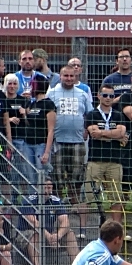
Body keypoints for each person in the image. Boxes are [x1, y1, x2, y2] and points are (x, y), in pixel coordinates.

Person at [47, 65, 93, 208]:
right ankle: (58, 206)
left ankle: (75, 205)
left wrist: (87, 129)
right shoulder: (52, 93)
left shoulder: (82, 94)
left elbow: (90, 114)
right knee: (58, 177)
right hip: (58, 141)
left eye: (71, 76)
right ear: (60, 76)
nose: (68, 78)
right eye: (65, 76)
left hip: (77, 141)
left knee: (77, 177)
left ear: (76, 76)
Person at [84, 85, 126, 222]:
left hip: (114, 160)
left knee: (115, 195)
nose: (108, 98)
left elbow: (121, 132)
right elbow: (93, 133)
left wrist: (102, 133)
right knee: (91, 194)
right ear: (99, 95)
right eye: (105, 95)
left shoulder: (118, 114)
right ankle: (90, 227)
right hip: (95, 159)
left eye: (111, 96)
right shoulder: (91, 114)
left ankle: (116, 227)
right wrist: (114, 136)